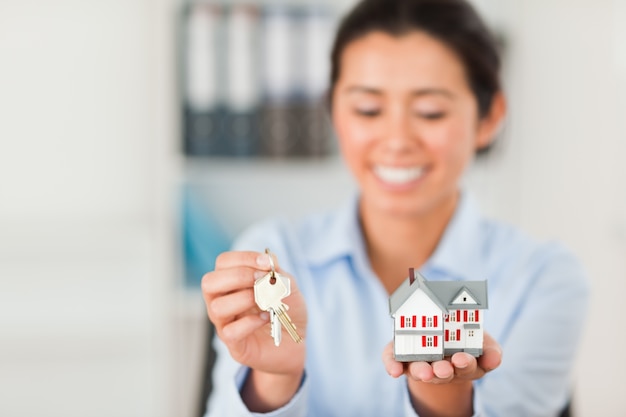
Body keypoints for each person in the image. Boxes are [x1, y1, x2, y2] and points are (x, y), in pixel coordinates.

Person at [201, 0, 589, 415]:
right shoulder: (274, 256)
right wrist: (275, 380)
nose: (397, 138)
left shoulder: (543, 277)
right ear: (332, 110)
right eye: (368, 109)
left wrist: (443, 396)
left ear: (489, 117)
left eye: (430, 111)